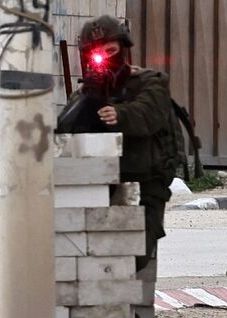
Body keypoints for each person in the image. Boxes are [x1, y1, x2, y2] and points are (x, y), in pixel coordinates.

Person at [57, 15, 182, 272]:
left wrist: (119, 114)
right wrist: (89, 100)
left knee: (137, 252)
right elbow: (63, 131)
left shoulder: (151, 82)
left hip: (146, 180)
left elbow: (148, 113)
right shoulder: (85, 93)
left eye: (110, 50)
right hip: (103, 182)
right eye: (96, 53)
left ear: (123, 48)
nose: (104, 57)